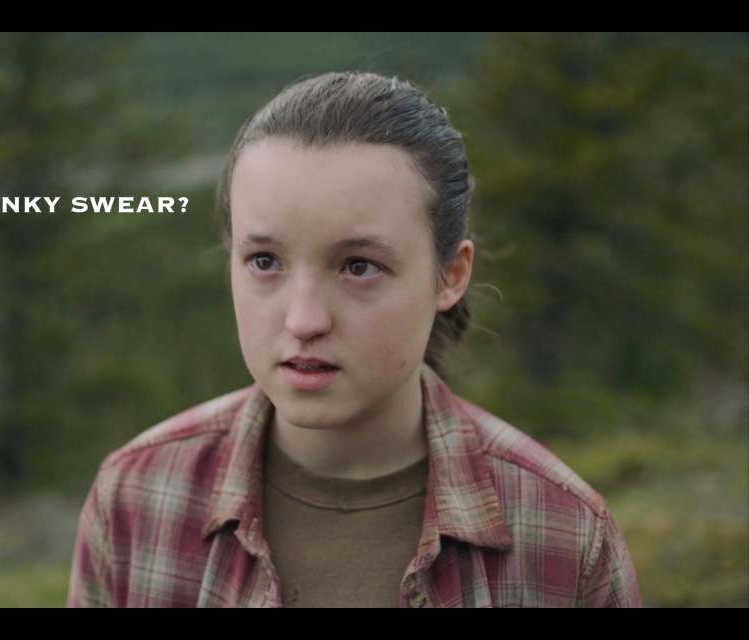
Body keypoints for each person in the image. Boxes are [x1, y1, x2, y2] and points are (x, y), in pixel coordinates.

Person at [67, 71, 641, 607]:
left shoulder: (564, 537)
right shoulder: (136, 500)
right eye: (264, 260)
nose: (303, 320)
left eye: (359, 267)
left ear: (451, 275)